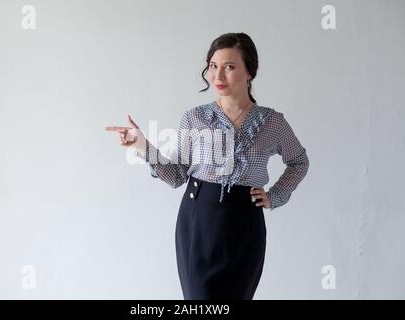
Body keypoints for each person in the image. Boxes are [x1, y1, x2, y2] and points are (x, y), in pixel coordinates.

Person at [105, 32, 310, 300]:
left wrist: (275, 196)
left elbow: (299, 162)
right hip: (199, 222)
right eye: (213, 66)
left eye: (230, 67)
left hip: (246, 225)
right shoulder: (195, 118)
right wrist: (144, 146)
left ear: (251, 71)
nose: (218, 76)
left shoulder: (272, 123)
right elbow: (177, 176)